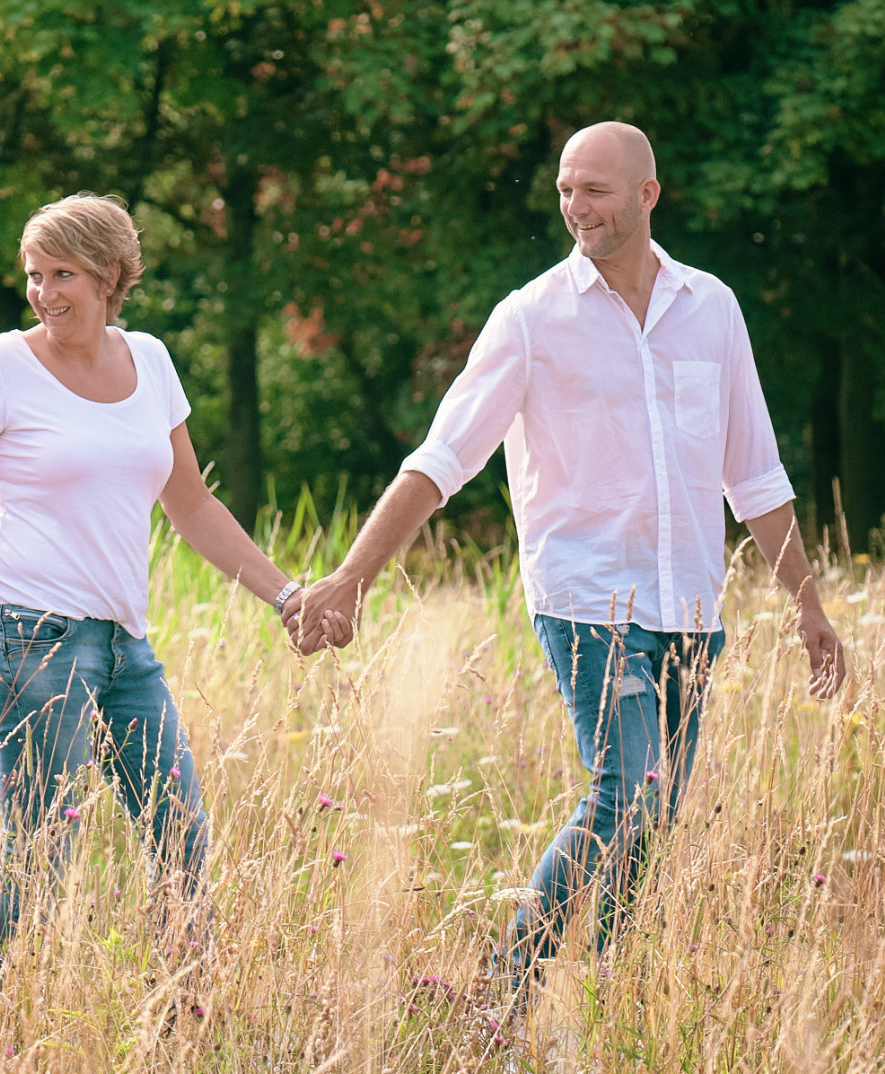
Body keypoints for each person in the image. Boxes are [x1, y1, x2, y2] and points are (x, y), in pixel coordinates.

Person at [293, 122, 847, 1007]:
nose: (575, 206)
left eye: (593, 189)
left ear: (647, 195)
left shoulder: (713, 309)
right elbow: (440, 460)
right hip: (588, 600)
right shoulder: (531, 318)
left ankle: (592, 991)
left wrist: (808, 606)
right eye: (564, 189)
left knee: (652, 819)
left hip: (691, 608)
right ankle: (509, 986)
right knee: (627, 793)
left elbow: (754, 473)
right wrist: (349, 578)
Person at [0, 194, 305, 973]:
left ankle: (179, 1027)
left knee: (181, 840)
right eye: (34, 275)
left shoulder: (152, 360)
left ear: (111, 276)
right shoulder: (0, 365)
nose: (44, 292)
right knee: (40, 855)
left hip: (126, 643)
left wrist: (285, 595)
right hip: (30, 635)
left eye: (63, 273)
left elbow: (191, 502)